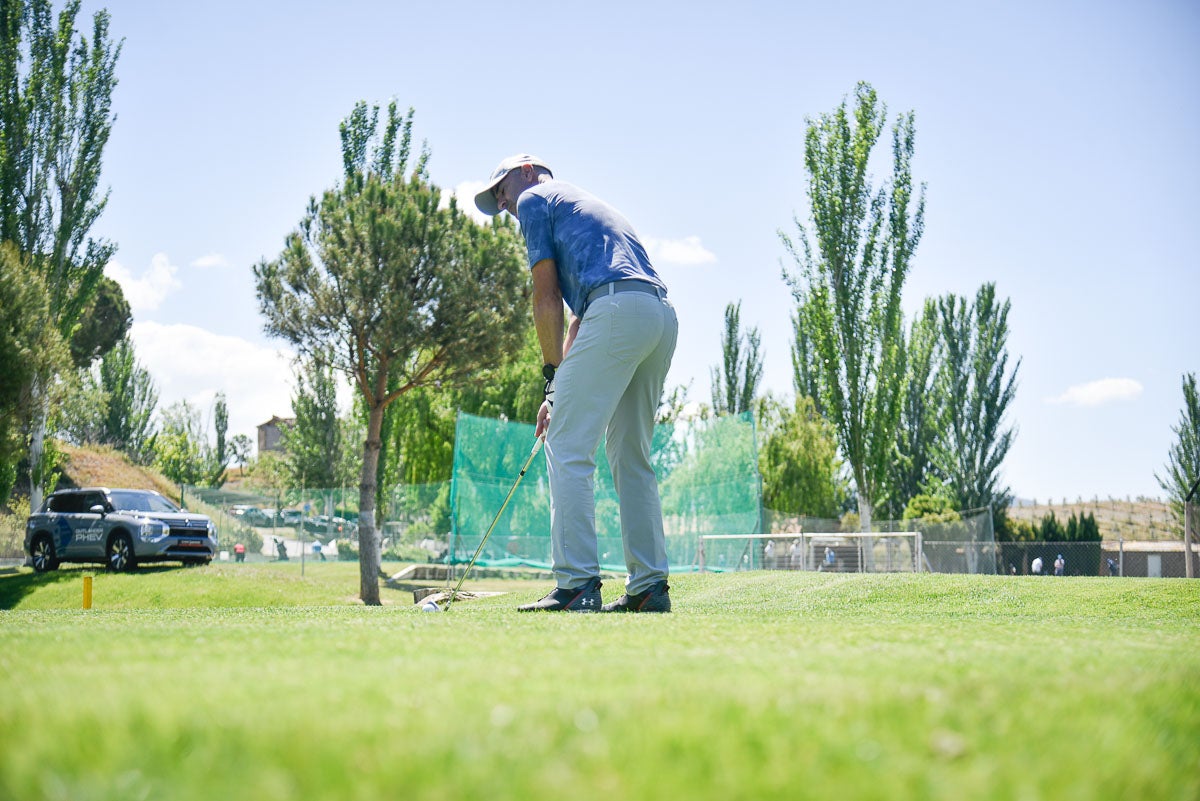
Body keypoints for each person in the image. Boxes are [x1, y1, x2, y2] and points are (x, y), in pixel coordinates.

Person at [475, 154, 678, 613]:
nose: (503, 202)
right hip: (658, 316)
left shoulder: (536, 200)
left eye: (502, 190)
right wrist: (559, 389)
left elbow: (545, 298)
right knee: (630, 456)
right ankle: (649, 588)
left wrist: (551, 379)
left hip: (618, 312)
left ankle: (577, 585)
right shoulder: (582, 205)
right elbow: (579, 319)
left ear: (527, 171)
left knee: (566, 444)